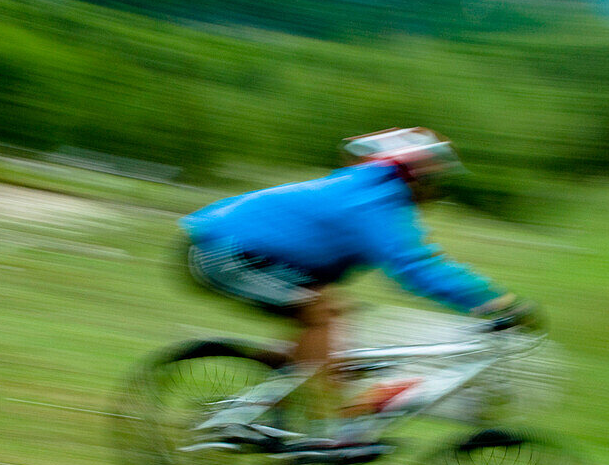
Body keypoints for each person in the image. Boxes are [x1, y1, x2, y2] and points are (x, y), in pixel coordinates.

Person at [178, 127, 541, 444]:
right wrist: (493, 302)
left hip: (242, 253)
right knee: (320, 314)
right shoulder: (374, 199)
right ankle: (324, 427)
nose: (436, 189)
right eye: (433, 179)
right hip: (218, 252)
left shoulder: (371, 192)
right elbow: (414, 268)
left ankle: (273, 394)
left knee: (331, 316)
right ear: (412, 174)